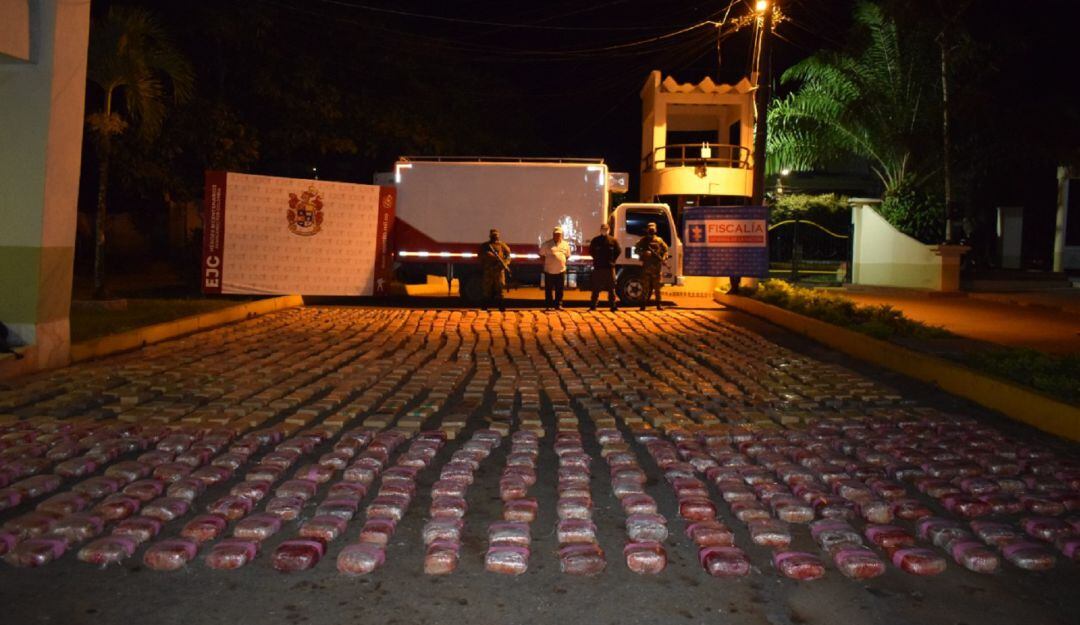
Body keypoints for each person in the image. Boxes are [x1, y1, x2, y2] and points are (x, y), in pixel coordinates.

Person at [633, 222, 668, 311]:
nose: (651, 230)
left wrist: (663, 258)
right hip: (646, 268)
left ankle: (658, 305)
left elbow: (665, 251)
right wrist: (643, 253)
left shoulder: (659, 240)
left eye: (653, 229)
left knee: (657, 288)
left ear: (655, 230)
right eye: (650, 229)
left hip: (657, 268)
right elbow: (636, 250)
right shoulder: (643, 240)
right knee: (645, 288)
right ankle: (643, 305)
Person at [588, 223, 621, 312]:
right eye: (603, 229)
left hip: (609, 267)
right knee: (596, 287)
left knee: (612, 288)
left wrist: (612, 260)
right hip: (598, 267)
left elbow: (618, 251)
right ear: (600, 230)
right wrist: (597, 259)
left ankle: (613, 306)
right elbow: (591, 251)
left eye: (606, 229)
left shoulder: (613, 240)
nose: (604, 230)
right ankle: (593, 305)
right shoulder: (595, 240)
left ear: (609, 230)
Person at [539, 226, 571, 310]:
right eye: (556, 234)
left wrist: (560, 262)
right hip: (549, 271)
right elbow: (541, 255)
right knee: (548, 289)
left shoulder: (565, 244)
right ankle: (549, 305)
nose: (557, 235)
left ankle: (558, 305)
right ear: (553, 235)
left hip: (561, 270)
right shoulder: (546, 244)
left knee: (559, 289)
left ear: (561, 235)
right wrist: (549, 263)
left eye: (559, 234)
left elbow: (567, 256)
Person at [479, 228, 512, 311]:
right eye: (493, 235)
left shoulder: (502, 245)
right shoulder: (485, 246)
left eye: (496, 235)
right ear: (490, 236)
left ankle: (501, 307)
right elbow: (481, 256)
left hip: (499, 270)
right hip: (489, 270)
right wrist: (489, 257)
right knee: (486, 289)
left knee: (500, 290)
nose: (495, 237)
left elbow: (508, 256)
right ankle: (484, 307)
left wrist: (506, 263)